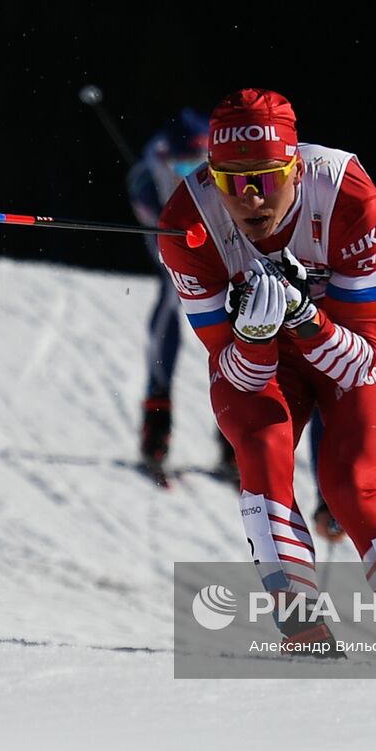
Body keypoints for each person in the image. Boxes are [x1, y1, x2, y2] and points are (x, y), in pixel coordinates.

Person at [158, 88, 376, 661]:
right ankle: (306, 640)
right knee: (263, 467)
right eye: (229, 181)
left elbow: (359, 362)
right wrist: (255, 334)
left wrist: (305, 317)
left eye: (266, 178)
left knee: (352, 486)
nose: (248, 199)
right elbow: (235, 374)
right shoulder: (184, 223)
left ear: (296, 167)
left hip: (349, 333)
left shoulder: (348, 193)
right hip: (266, 348)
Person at [127, 107, 235, 484]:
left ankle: (234, 439)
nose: (189, 172)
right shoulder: (147, 177)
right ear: (167, 159)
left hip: (218, 241)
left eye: (197, 164)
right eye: (181, 166)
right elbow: (156, 239)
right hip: (172, 237)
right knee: (171, 304)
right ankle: (156, 425)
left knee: (236, 328)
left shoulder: (225, 165)